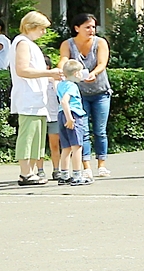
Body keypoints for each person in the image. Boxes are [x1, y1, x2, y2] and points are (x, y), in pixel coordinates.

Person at [9, 11, 59, 185]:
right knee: (28, 135)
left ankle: (30, 171)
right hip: (28, 96)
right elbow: (22, 70)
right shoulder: (22, 43)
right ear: (31, 27)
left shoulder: (28, 43)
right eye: (42, 28)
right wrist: (49, 72)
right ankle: (25, 173)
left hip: (36, 97)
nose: (43, 32)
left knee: (36, 135)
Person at [60, 12, 112, 177]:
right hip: (79, 94)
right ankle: (86, 166)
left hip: (100, 92)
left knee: (100, 130)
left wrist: (94, 73)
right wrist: (61, 68)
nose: (92, 30)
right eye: (87, 27)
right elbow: (63, 60)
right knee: (82, 131)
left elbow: (102, 63)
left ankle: (102, 164)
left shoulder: (100, 42)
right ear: (77, 28)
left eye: (93, 27)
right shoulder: (68, 44)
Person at [53, 58, 92, 185]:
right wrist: (70, 118)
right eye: (80, 72)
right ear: (76, 74)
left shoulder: (61, 84)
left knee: (66, 148)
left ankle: (64, 175)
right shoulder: (72, 86)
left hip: (60, 115)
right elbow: (64, 101)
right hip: (73, 114)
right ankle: (77, 175)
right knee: (77, 147)